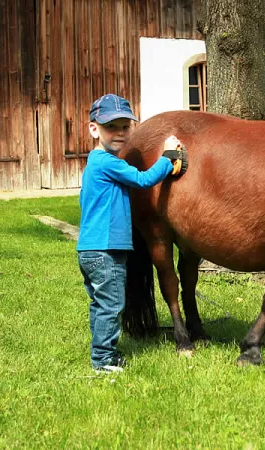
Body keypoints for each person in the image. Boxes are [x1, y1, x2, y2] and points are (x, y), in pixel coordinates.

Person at [77, 94, 182, 373]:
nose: (120, 134)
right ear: (94, 129)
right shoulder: (107, 162)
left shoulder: (94, 164)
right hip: (106, 250)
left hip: (90, 249)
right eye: (112, 127)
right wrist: (168, 155)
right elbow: (143, 179)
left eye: (125, 127)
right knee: (111, 305)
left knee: (101, 305)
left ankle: (102, 352)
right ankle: (103, 361)